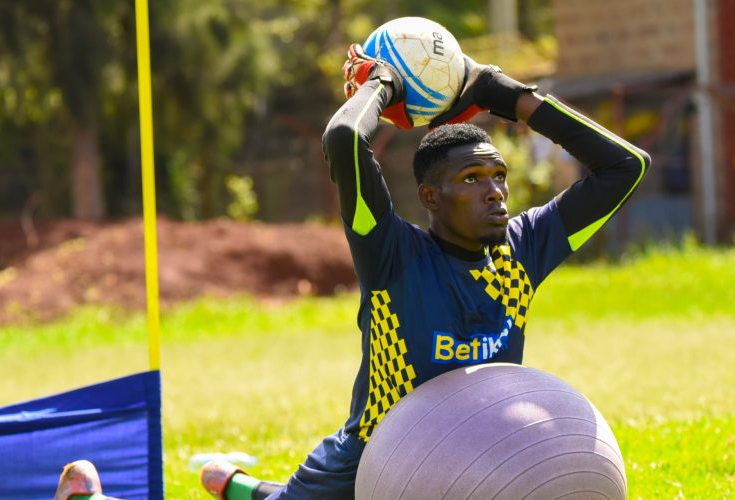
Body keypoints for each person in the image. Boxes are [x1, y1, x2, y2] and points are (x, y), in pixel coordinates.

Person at [200, 43, 651, 499]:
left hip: (486, 450)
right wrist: (382, 83)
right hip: (375, 451)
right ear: (431, 197)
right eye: (471, 178)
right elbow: (343, 139)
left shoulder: (524, 249)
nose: (495, 192)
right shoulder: (392, 253)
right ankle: (234, 485)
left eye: (499, 175)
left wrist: (514, 97)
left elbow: (626, 165)